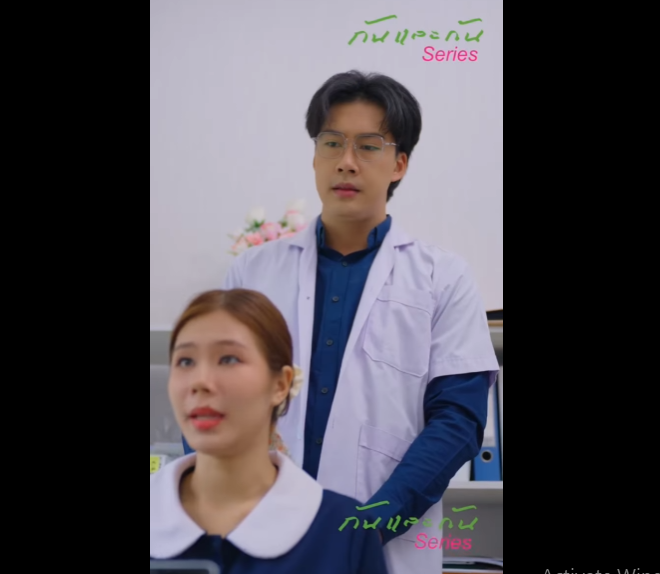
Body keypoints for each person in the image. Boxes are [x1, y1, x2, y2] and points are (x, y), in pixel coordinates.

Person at [193, 70, 499, 573]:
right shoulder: (253, 273)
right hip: (261, 538)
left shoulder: (442, 277)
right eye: (331, 142)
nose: (346, 161)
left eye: (368, 146)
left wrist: (370, 525)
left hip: (384, 545)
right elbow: (212, 398)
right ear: (315, 156)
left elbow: (458, 420)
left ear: (399, 163)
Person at [151, 289, 389, 573]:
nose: (200, 382)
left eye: (228, 359)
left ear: (281, 384)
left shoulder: (344, 532)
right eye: (185, 361)